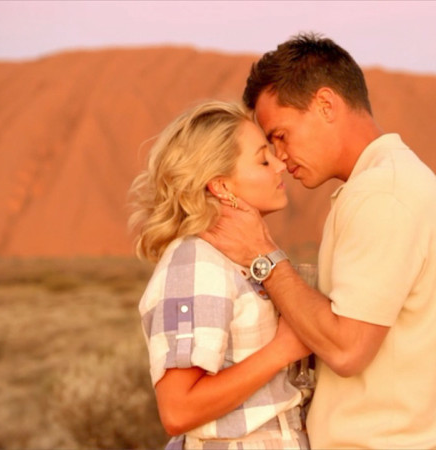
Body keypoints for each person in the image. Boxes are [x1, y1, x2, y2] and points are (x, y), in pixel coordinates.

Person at [200, 33, 436, 448]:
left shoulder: (383, 194)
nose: (279, 156)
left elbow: (347, 349)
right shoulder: (389, 181)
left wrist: (263, 256)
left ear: (326, 105)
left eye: (280, 135)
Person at [129, 101, 311, 449]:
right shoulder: (196, 261)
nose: (280, 165)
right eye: (263, 159)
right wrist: (281, 350)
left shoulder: (241, 259)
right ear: (220, 186)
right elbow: (178, 410)